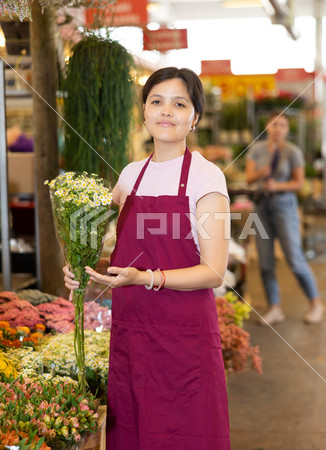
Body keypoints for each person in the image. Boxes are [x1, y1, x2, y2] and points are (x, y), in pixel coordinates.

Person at [64, 67, 231, 449]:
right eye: (156, 101)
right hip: (133, 334)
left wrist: (147, 278)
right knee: (135, 433)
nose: (166, 111)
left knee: (186, 433)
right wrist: (82, 270)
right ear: (143, 112)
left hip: (184, 337)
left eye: (179, 103)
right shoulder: (129, 176)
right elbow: (108, 252)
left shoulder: (207, 177)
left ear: (195, 117)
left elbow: (214, 270)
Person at [245, 111, 324, 326]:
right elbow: (249, 178)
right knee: (265, 262)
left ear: (287, 129)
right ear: (267, 127)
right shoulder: (257, 150)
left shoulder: (292, 152)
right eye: (273, 124)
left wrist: (277, 185)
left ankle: (315, 303)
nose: (277, 128)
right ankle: (275, 307)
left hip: (285, 208)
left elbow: (299, 184)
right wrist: (262, 173)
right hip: (261, 208)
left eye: (282, 125)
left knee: (294, 259)